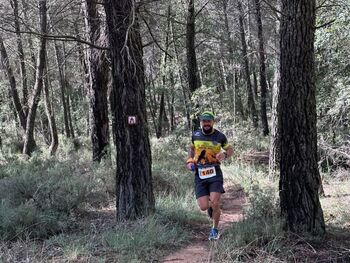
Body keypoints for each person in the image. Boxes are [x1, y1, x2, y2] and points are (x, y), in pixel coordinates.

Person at [186, 111, 234, 240]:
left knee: (215, 202)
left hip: (215, 173)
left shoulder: (220, 136)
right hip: (200, 174)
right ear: (201, 122)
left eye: (209, 121)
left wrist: (224, 155)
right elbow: (191, 149)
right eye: (204, 121)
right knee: (204, 206)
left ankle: (214, 230)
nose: (206, 123)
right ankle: (211, 208)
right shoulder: (195, 135)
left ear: (213, 122)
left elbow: (230, 150)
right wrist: (190, 161)